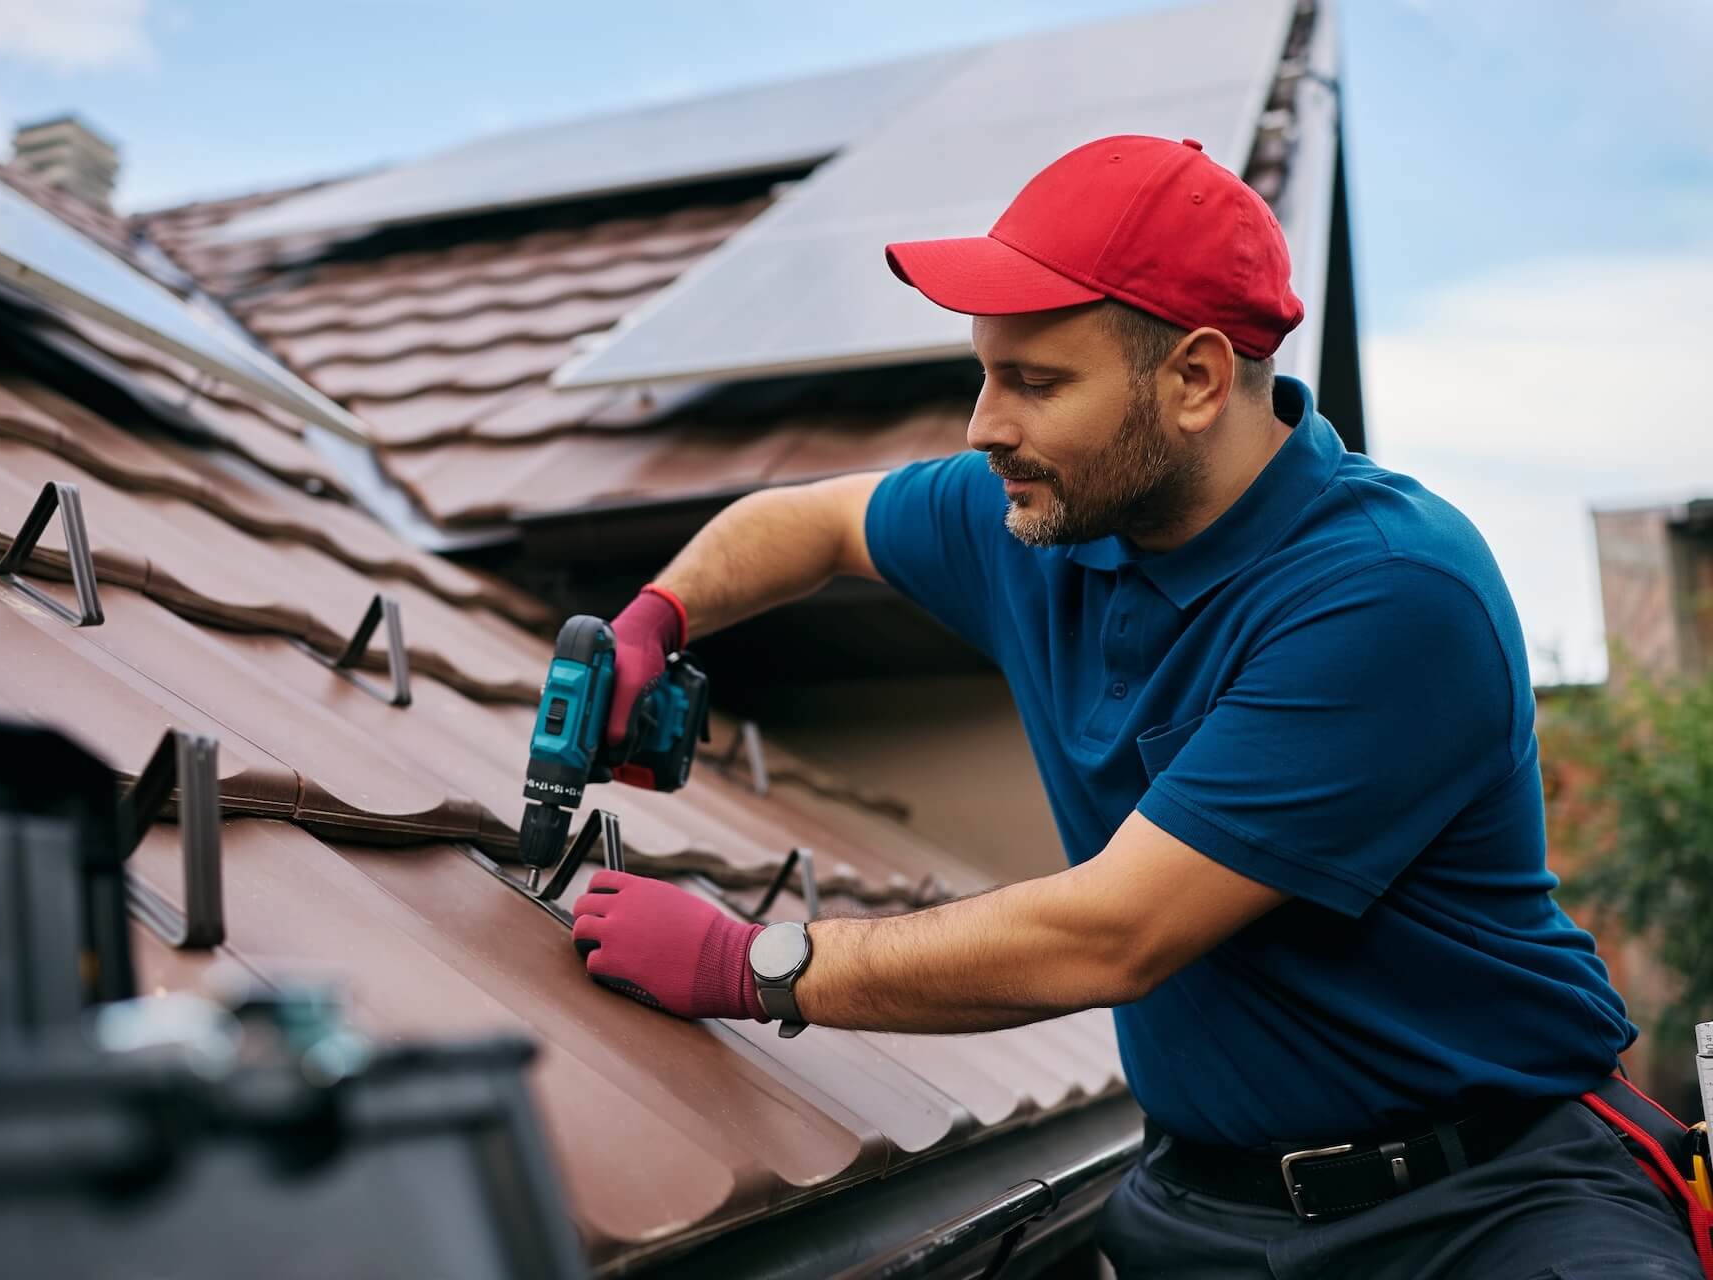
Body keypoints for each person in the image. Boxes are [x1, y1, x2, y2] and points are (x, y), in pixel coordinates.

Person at [565, 134, 1702, 1277]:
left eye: (1035, 381)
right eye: (985, 370)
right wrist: (656, 617)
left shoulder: (1388, 589)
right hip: (1200, 1206)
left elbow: (1112, 934)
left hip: (1485, 1209)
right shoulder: (1046, 513)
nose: (982, 423)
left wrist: (751, 963)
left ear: (1197, 380)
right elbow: (808, 524)